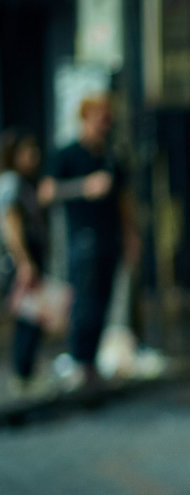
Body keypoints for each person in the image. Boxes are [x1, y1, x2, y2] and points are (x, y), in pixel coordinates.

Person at [40, 93, 140, 390]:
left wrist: (131, 236)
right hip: (82, 237)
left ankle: (91, 363)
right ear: (85, 118)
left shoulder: (111, 156)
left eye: (107, 117)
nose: (104, 123)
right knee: (84, 300)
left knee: (103, 301)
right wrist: (83, 187)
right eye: (99, 117)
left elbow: (125, 201)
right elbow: (47, 192)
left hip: (110, 237)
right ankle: (79, 361)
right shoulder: (67, 154)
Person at [0, 128, 52, 397]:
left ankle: (27, 373)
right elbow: (10, 223)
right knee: (27, 317)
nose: (35, 156)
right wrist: (24, 262)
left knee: (33, 316)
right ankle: (22, 376)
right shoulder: (11, 182)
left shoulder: (25, 182)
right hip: (21, 259)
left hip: (29, 256)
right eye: (28, 151)